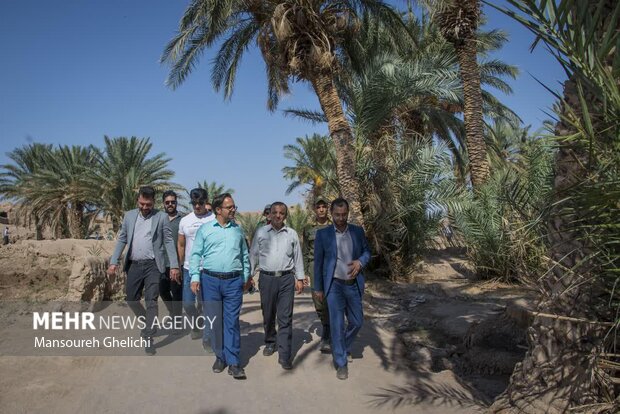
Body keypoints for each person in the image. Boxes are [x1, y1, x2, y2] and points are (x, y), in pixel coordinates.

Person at [107, 186, 180, 355]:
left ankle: (148, 336)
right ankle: (149, 322)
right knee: (131, 299)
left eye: (148, 204)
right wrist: (113, 262)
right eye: (142, 204)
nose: (145, 207)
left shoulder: (161, 217)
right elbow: (122, 239)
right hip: (134, 265)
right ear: (138, 200)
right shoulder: (129, 216)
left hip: (153, 265)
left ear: (154, 202)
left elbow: (168, 242)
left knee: (151, 300)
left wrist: (174, 265)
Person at [189, 193, 251, 379]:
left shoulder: (237, 231)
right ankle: (220, 357)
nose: (233, 209)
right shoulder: (205, 230)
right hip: (210, 281)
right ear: (218, 210)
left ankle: (233, 362)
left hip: (233, 282)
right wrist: (194, 277)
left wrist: (246, 276)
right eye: (229, 207)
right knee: (215, 321)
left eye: (234, 206)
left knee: (231, 321)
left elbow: (244, 256)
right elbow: (195, 254)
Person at [313, 197, 371, 380]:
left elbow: (367, 252)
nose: (340, 218)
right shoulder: (323, 235)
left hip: (352, 285)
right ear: (331, 214)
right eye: (337, 215)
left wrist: (360, 262)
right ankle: (341, 363)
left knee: (357, 321)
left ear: (348, 213)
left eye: (344, 214)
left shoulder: (357, 231)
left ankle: (341, 347)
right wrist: (318, 288)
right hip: (334, 286)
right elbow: (318, 264)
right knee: (337, 325)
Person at [250, 202, 304, 370]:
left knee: (285, 317)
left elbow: (298, 257)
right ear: (269, 215)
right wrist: (249, 277)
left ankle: (285, 354)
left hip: (287, 279)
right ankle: (270, 341)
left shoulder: (292, 234)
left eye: (281, 213)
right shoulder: (261, 232)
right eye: (275, 212)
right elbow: (253, 255)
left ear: (285, 216)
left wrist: (300, 278)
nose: (278, 215)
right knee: (268, 314)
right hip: (266, 279)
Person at [178, 188, 215, 345]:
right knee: (187, 303)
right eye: (194, 203)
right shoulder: (185, 221)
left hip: (208, 270)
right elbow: (181, 244)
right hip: (189, 269)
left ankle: (207, 339)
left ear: (206, 202)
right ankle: (196, 324)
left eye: (200, 203)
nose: (197, 206)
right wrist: (180, 265)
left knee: (207, 305)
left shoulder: (213, 219)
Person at [303, 198, 332, 353]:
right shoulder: (308, 229)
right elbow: (305, 251)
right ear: (314, 209)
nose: (321, 209)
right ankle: (326, 324)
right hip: (315, 267)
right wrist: (304, 273)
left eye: (324, 206)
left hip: (331, 266)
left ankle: (328, 333)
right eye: (318, 207)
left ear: (327, 209)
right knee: (318, 301)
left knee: (331, 298)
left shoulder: (334, 227)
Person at [161, 190, 183, 320]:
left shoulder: (182, 220)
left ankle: (177, 321)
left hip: (177, 263)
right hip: (162, 263)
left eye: (173, 202)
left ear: (176, 203)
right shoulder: (159, 219)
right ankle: (173, 312)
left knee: (176, 293)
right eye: (167, 202)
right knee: (162, 291)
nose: (170, 204)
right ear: (163, 203)